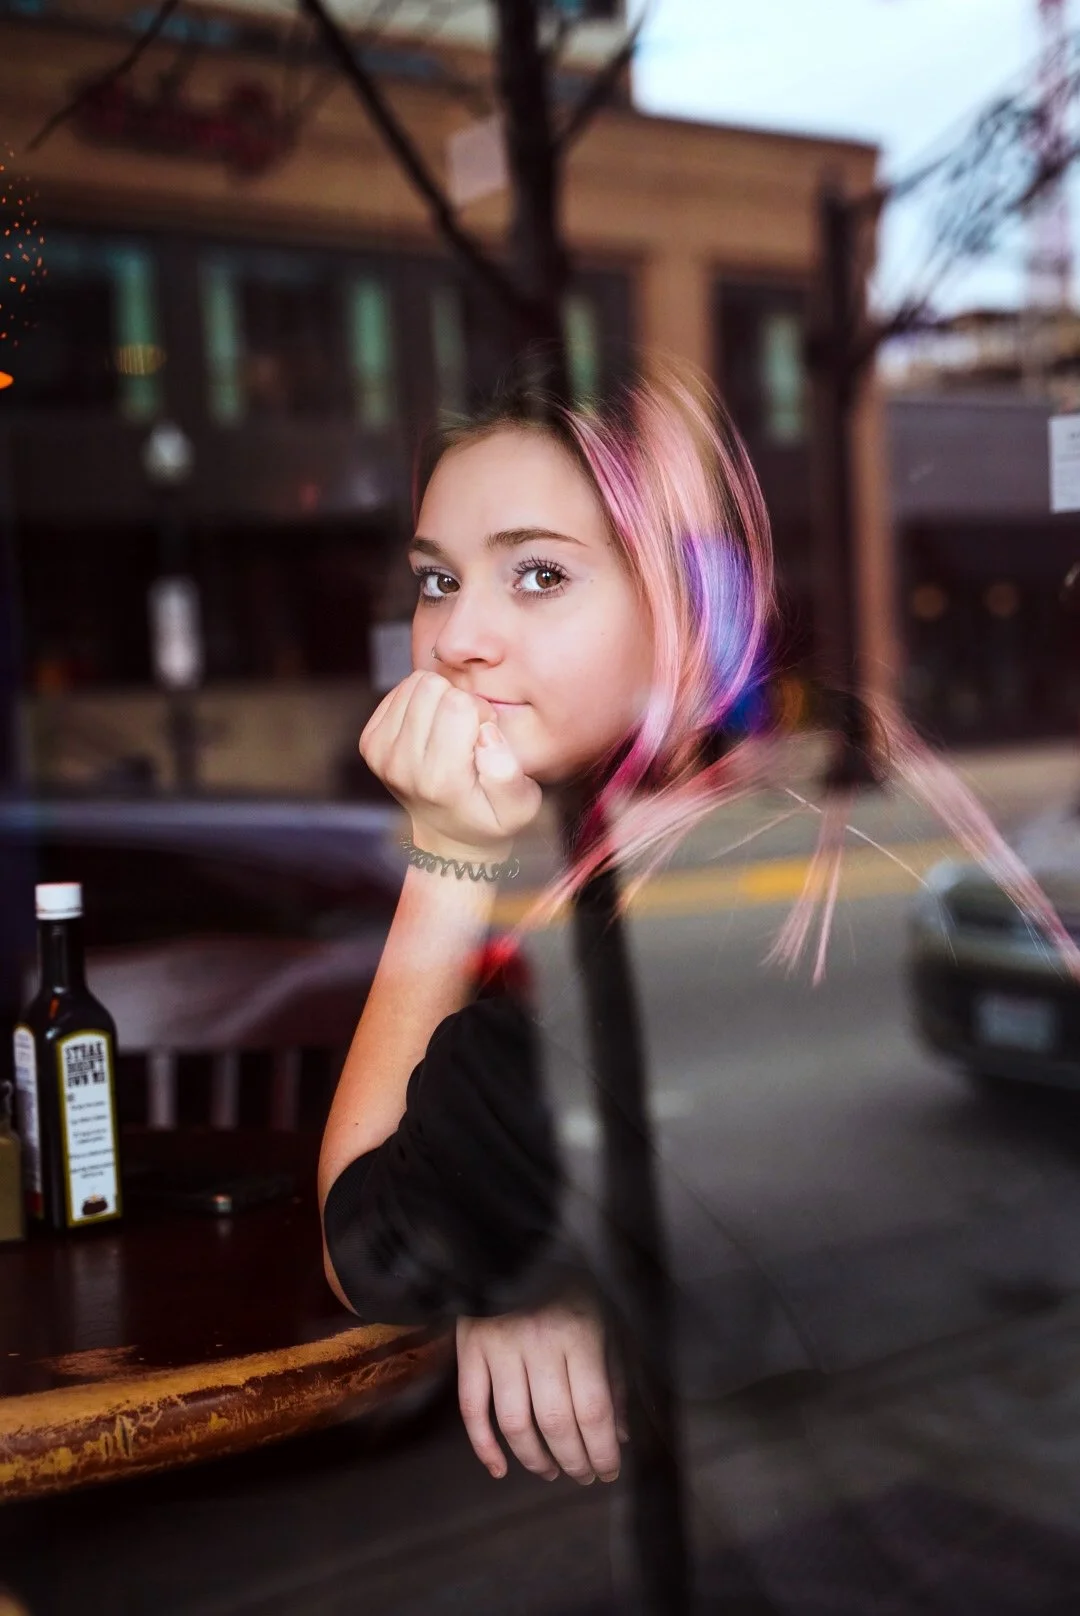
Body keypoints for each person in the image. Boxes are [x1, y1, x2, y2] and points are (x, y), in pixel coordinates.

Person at [317, 363, 1080, 1492]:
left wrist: (446, 853)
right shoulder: (809, 842)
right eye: (437, 578)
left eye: (537, 574)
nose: (459, 635)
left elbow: (362, 1239)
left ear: (681, 607)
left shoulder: (597, 958)